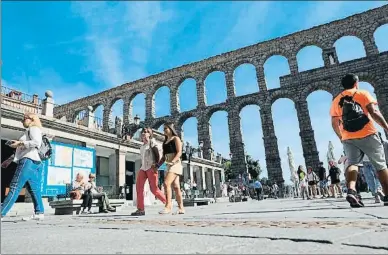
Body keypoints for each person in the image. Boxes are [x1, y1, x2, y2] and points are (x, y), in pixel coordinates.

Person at [330, 73, 388, 207]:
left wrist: (341, 137)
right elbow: (374, 112)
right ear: (356, 83)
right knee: (380, 165)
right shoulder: (362, 93)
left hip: (348, 137)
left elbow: (334, 123)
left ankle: (351, 190)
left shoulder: (336, 100)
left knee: (353, 164)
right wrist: (386, 127)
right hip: (368, 133)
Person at [1, 113, 45, 221]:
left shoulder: (33, 128)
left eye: (24, 119)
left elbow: (36, 142)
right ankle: (39, 212)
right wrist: (9, 160)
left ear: (31, 119)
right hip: (34, 162)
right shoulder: (30, 130)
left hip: (28, 161)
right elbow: (23, 149)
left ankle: (2, 212)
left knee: (15, 186)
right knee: (34, 189)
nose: (22, 121)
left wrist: (19, 143)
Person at [131, 128, 166, 216]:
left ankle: (167, 202)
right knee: (139, 188)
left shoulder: (152, 142)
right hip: (143, 168)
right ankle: (141, 209)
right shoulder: (142, 146)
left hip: (151, 167)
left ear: (150, 134)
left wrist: (156, 165)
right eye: (143, 132)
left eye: (146, 132)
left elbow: (157, 154)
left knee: (154, 189)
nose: (144, 133)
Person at [155, 123, 185, 214]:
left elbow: (179, 152)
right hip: (168, 164)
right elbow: (164, 156)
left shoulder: (176, 138)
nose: (164, 130)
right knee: (176, 187)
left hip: (175, 163)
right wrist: (158, 165)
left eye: (166, 128)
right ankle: (181, 208)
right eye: (163, 129)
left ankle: (168, 206)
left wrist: (174, 161)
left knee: (166, 183)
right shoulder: (165, 142)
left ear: (171, 129)